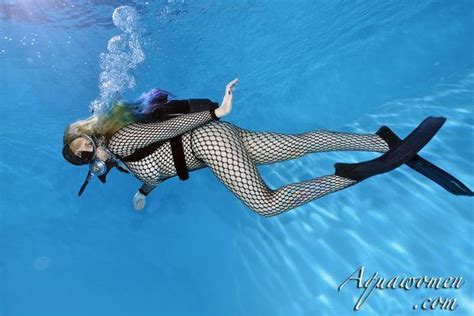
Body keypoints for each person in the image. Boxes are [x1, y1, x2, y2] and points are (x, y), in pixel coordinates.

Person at [62, 78, 472, 217]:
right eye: (85, 161)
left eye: (85, 154)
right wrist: (143, 191)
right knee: (301, 144)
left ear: (91, 139)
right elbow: (158, 165)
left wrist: (216, 113)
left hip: (209, 139)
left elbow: (176, 129)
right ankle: (379, 141)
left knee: (266, 204)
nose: (92, 162)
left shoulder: (121, 139)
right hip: (218, 143)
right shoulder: (123, 155)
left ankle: (349, 176)